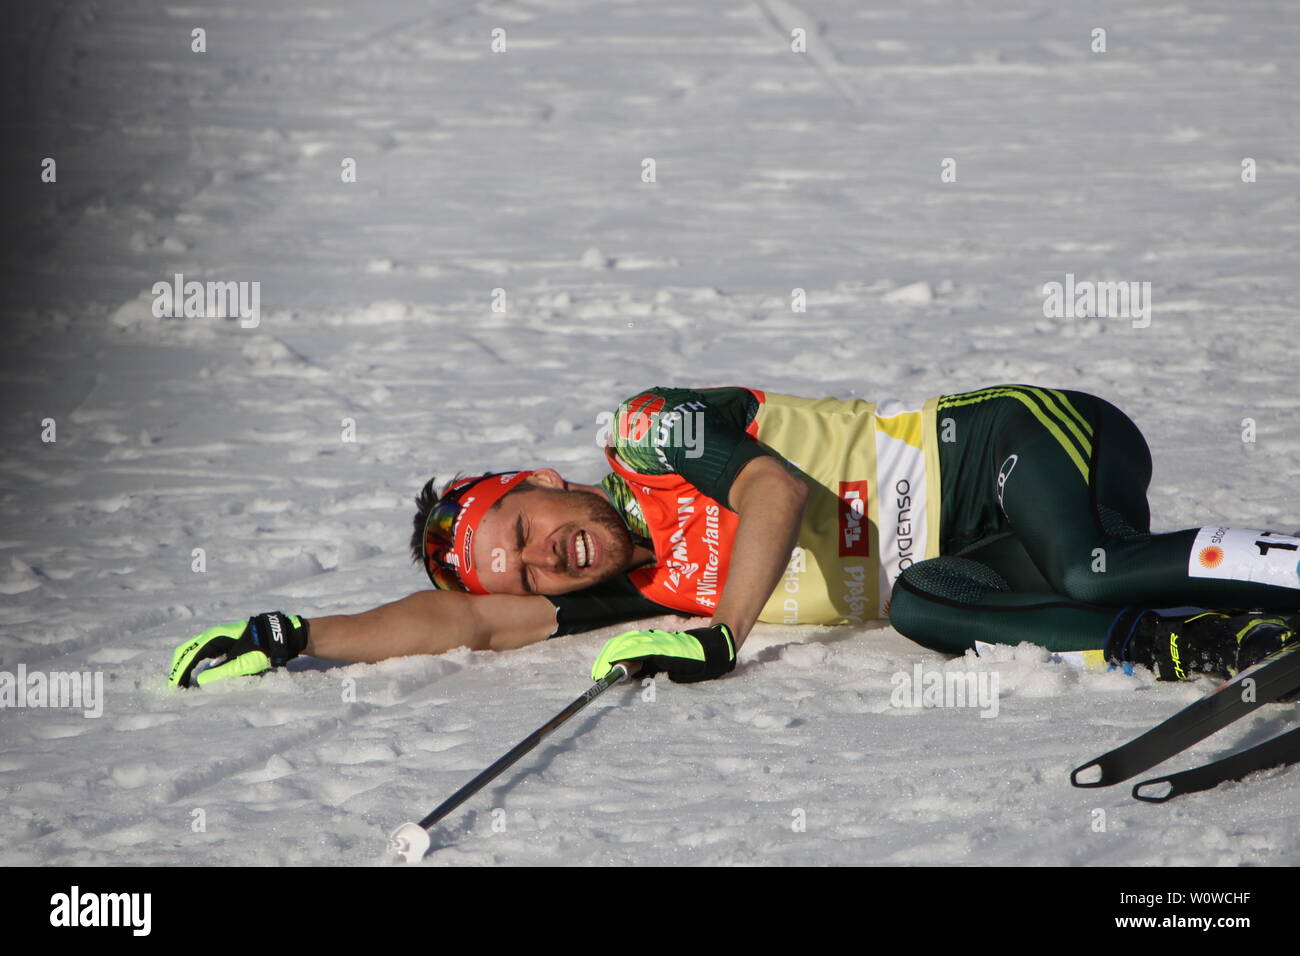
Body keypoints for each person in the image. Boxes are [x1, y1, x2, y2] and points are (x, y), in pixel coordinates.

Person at [167, 384, 1300, 689]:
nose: (544, 558)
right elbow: (460, 614)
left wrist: (722, 627)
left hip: (1013, 443)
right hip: (973, 553)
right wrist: (297, 630)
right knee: (924, 607)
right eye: (521, 566)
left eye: (528, 526)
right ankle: (1195, 639)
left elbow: (768, 487)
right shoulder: (635, 590)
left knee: (1082, 558)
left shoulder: (645, 434)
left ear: (549, 481)